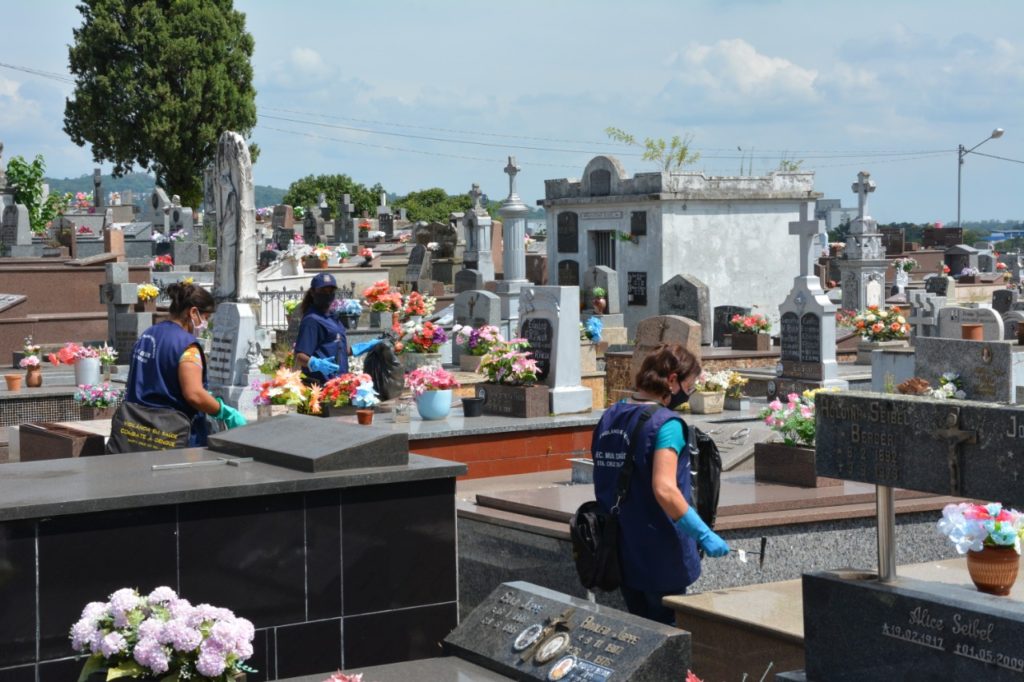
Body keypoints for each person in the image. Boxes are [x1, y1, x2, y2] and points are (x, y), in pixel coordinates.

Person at [591, 343, 730, 624]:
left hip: (620, 547)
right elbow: (665, 489)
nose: (688, 394)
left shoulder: (610, 415)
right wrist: (703, 533)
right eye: (688, 386)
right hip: (660, 552)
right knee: (668, 632)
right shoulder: (667, 425)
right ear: (672, 380)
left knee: (641, 629)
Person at [122, 282, 246, 448]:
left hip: (137, 429)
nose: (205, 324)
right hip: (172, 435)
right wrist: (223, 411)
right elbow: (194, 394)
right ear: (193, 312)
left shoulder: (147, 335)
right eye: (206, 317)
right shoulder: (187, 346)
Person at [294, 272, 348, 385]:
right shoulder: (312, 320)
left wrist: (360, 348)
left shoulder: (332, 317)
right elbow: (300, 356)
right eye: (323, 291)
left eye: (331, 291)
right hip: (322, 384)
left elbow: (335, 347)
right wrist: (316, 364)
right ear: (313, 292)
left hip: (339, 382)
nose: (327, 294)